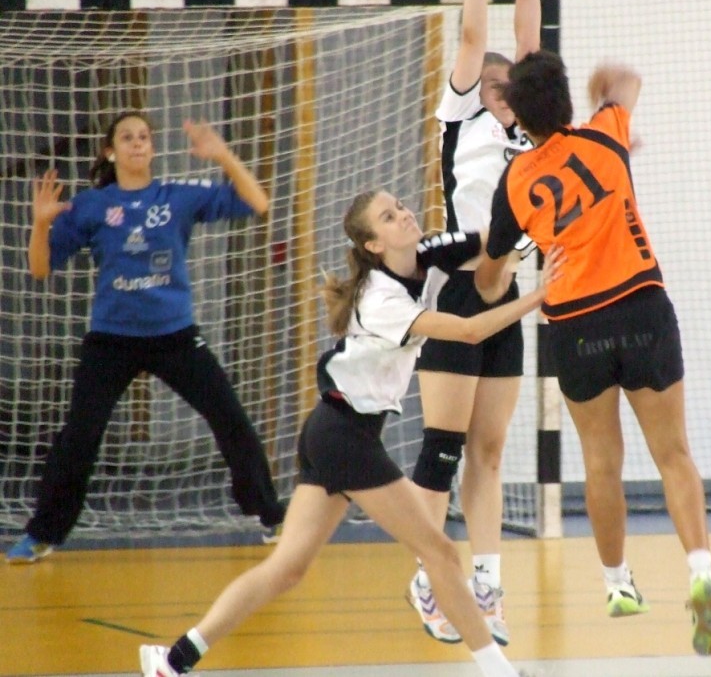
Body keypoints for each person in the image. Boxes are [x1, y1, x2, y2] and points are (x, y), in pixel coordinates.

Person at [138, 189, 561, 677]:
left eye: (399, 207)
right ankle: (500, 671)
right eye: (388, 217)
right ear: (373, 244)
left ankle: (173, 660)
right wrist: (538, 296)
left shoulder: (424, 254)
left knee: (287, 568)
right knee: (441, 553)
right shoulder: (381, 299)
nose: (403, 215)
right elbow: (469, 331)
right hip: (345, 436)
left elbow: (490, 236)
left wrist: (540, 211)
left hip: (330, 433)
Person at [472, 49, 711, 656]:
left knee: (600, 461)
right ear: (565, 101)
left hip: (575, 323)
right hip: (641, 305)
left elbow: (486, 283)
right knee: (674, 454)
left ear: (518, 116)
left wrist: (518, 266)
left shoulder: (516, 182)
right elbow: (628, 79)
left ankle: (618, 585)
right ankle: (701, 573)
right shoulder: (606, 132)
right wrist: (601, 86)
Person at [6, 112, 286, 564]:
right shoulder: (91, 206)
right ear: (110, 151)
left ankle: (272, 517)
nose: (137, 143)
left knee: (230, 418)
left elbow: (257, 201)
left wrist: (222, 155)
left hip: (175, 336)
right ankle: (43, 533)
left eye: (144, 137)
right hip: (111, 340)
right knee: (79, 437)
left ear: (152, 148)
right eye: (127, 137)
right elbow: (40, 268)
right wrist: (40, 224)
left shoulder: (176, 196)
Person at [408, 0, 541, 646]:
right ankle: (430, 576)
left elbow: (528, 47)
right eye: (491, 81)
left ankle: (485, 586)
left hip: (508, 293)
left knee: (489, 452)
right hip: (459, 289)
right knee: (444, 448)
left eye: (507, 83)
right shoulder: (462, 119)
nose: (501, 85)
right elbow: (474, 39)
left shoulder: (529, 132)